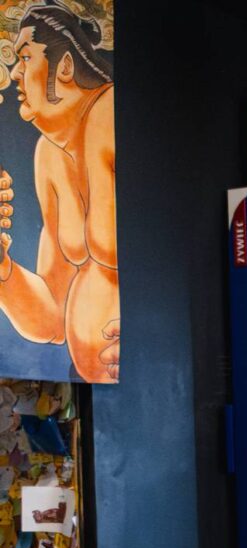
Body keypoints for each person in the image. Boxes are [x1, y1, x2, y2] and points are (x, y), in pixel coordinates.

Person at [0, 3, 117, 383]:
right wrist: (3, 267)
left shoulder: (108, 113)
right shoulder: (49, 154)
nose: (15, 73)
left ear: (65, 66)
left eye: (25, 58)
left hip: (150, 368)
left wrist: (144, 336)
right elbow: (52, 318)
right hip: (94, 380)